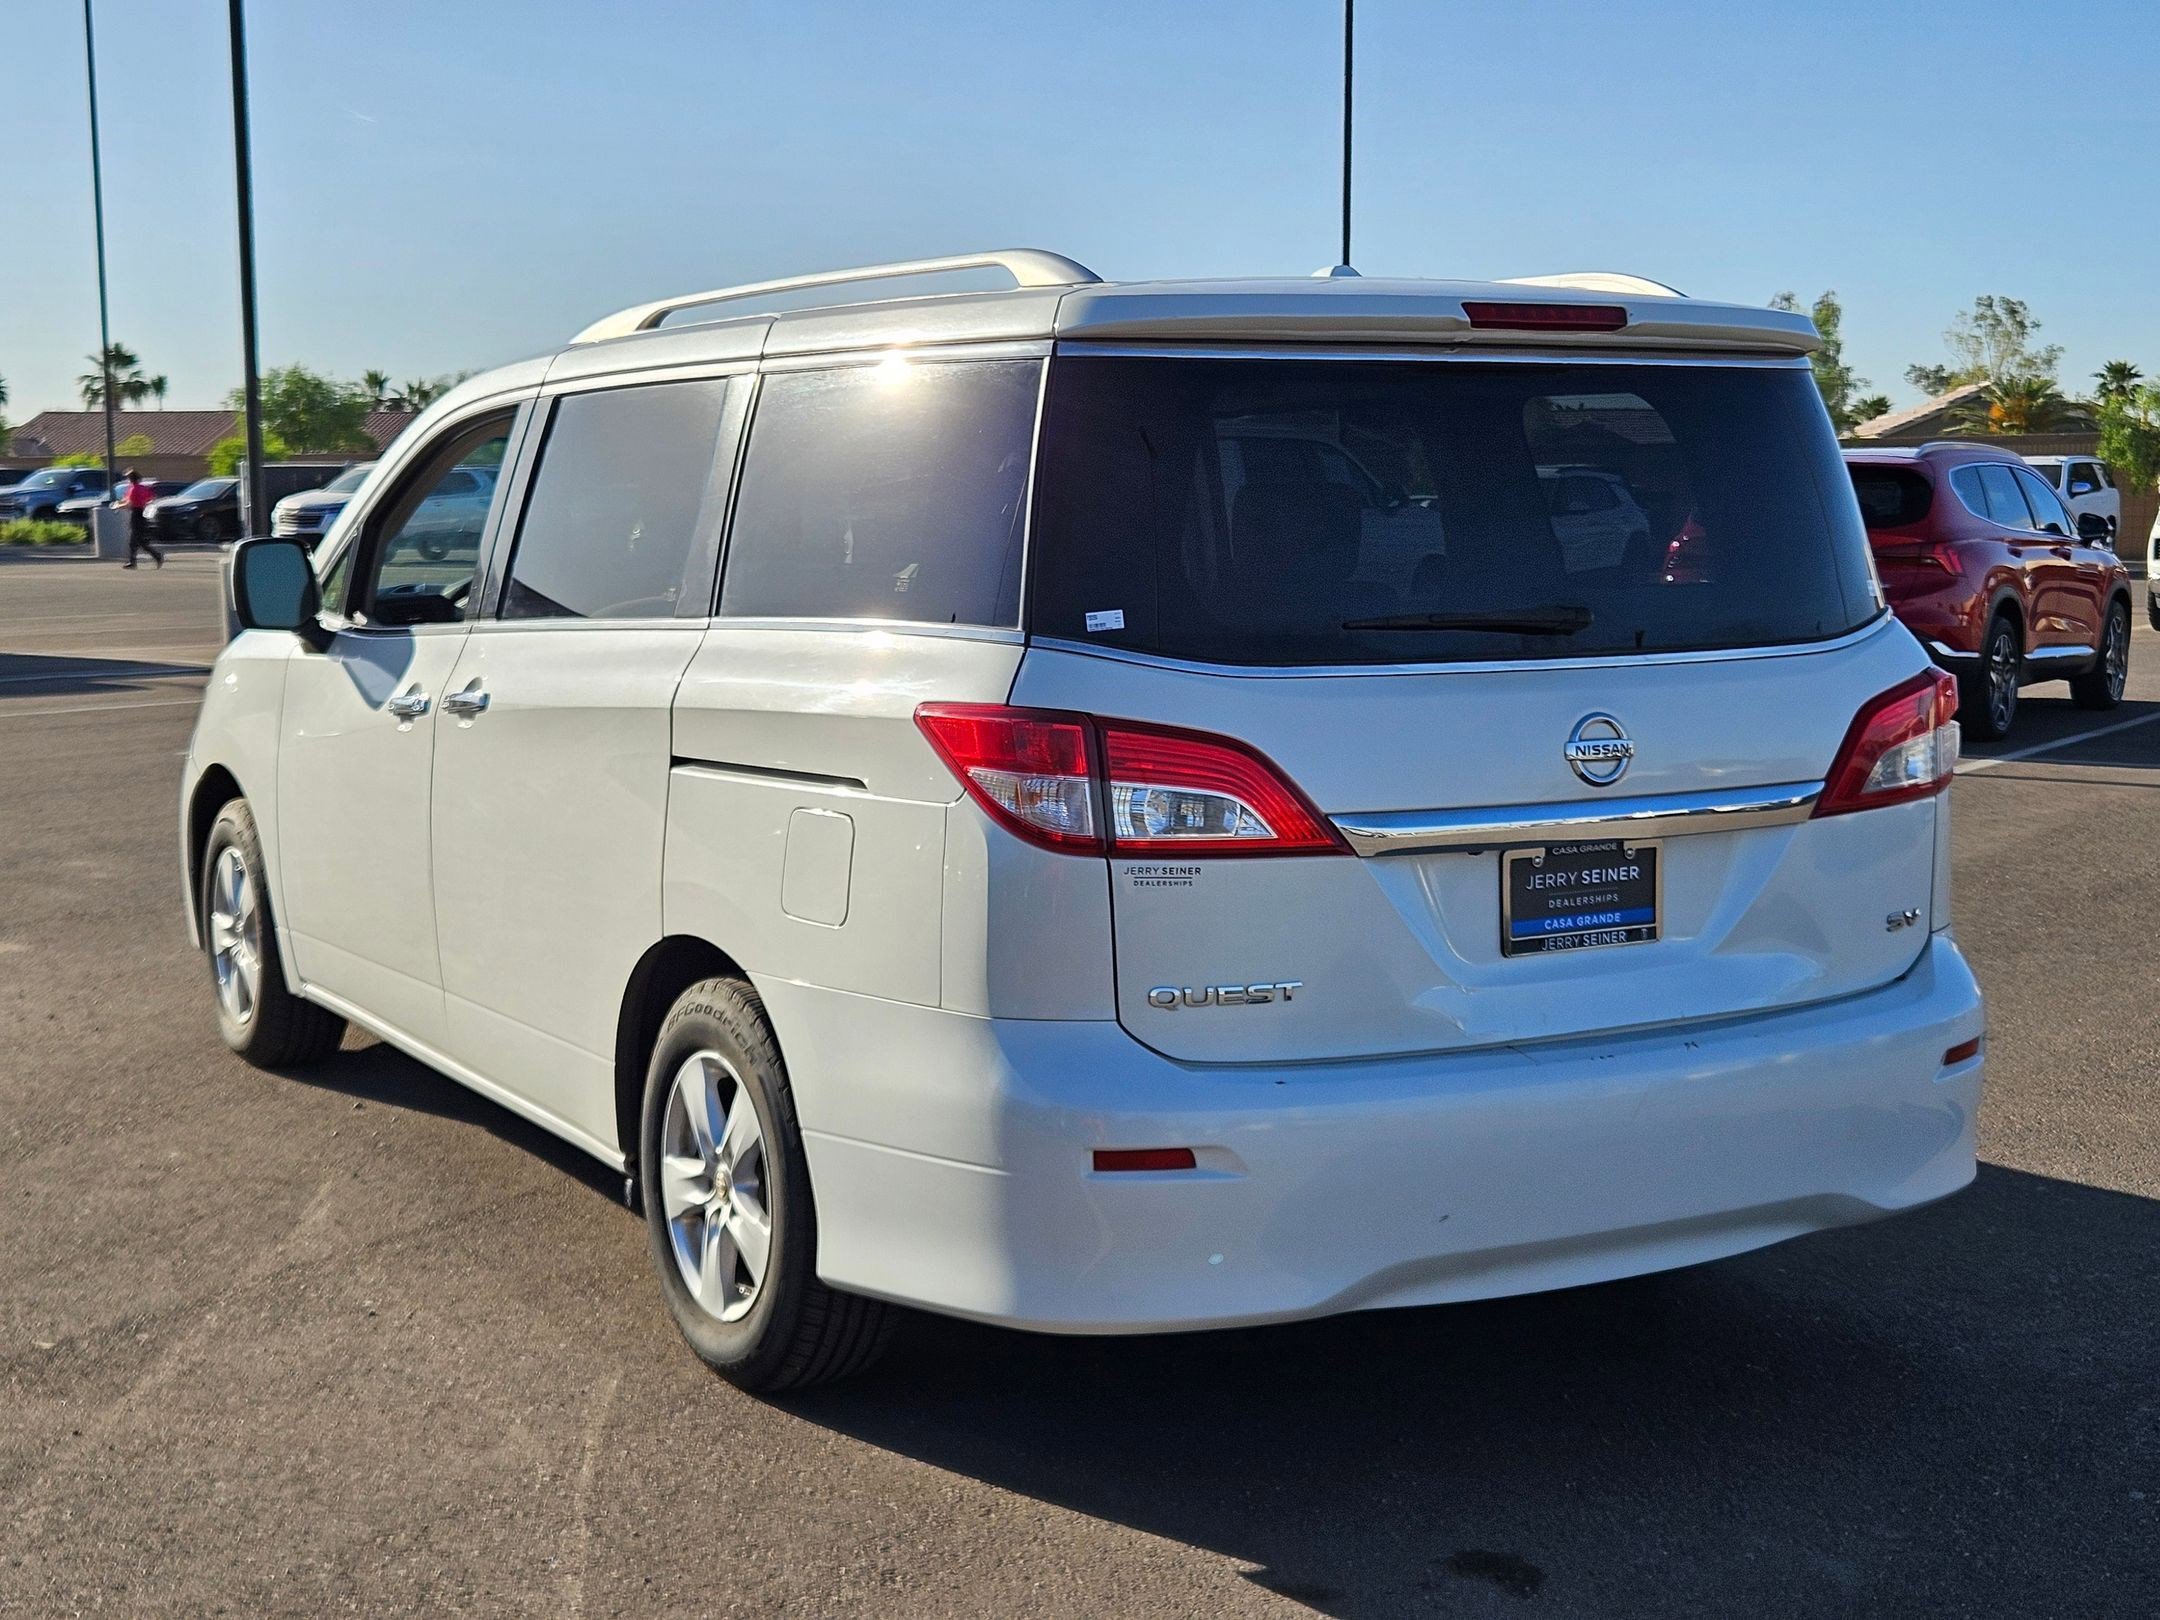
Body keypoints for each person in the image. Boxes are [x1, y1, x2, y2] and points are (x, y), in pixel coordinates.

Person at [121, 468, 162, 569]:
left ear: (130, 479)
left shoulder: (133, 488)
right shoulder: (143, 488)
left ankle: (157, 556)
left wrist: (117, 506)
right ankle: (132, 562)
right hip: (142, 514)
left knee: (139, 541)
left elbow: (129, 503)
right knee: (135, 541)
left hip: (136, 514)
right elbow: (152, 498)